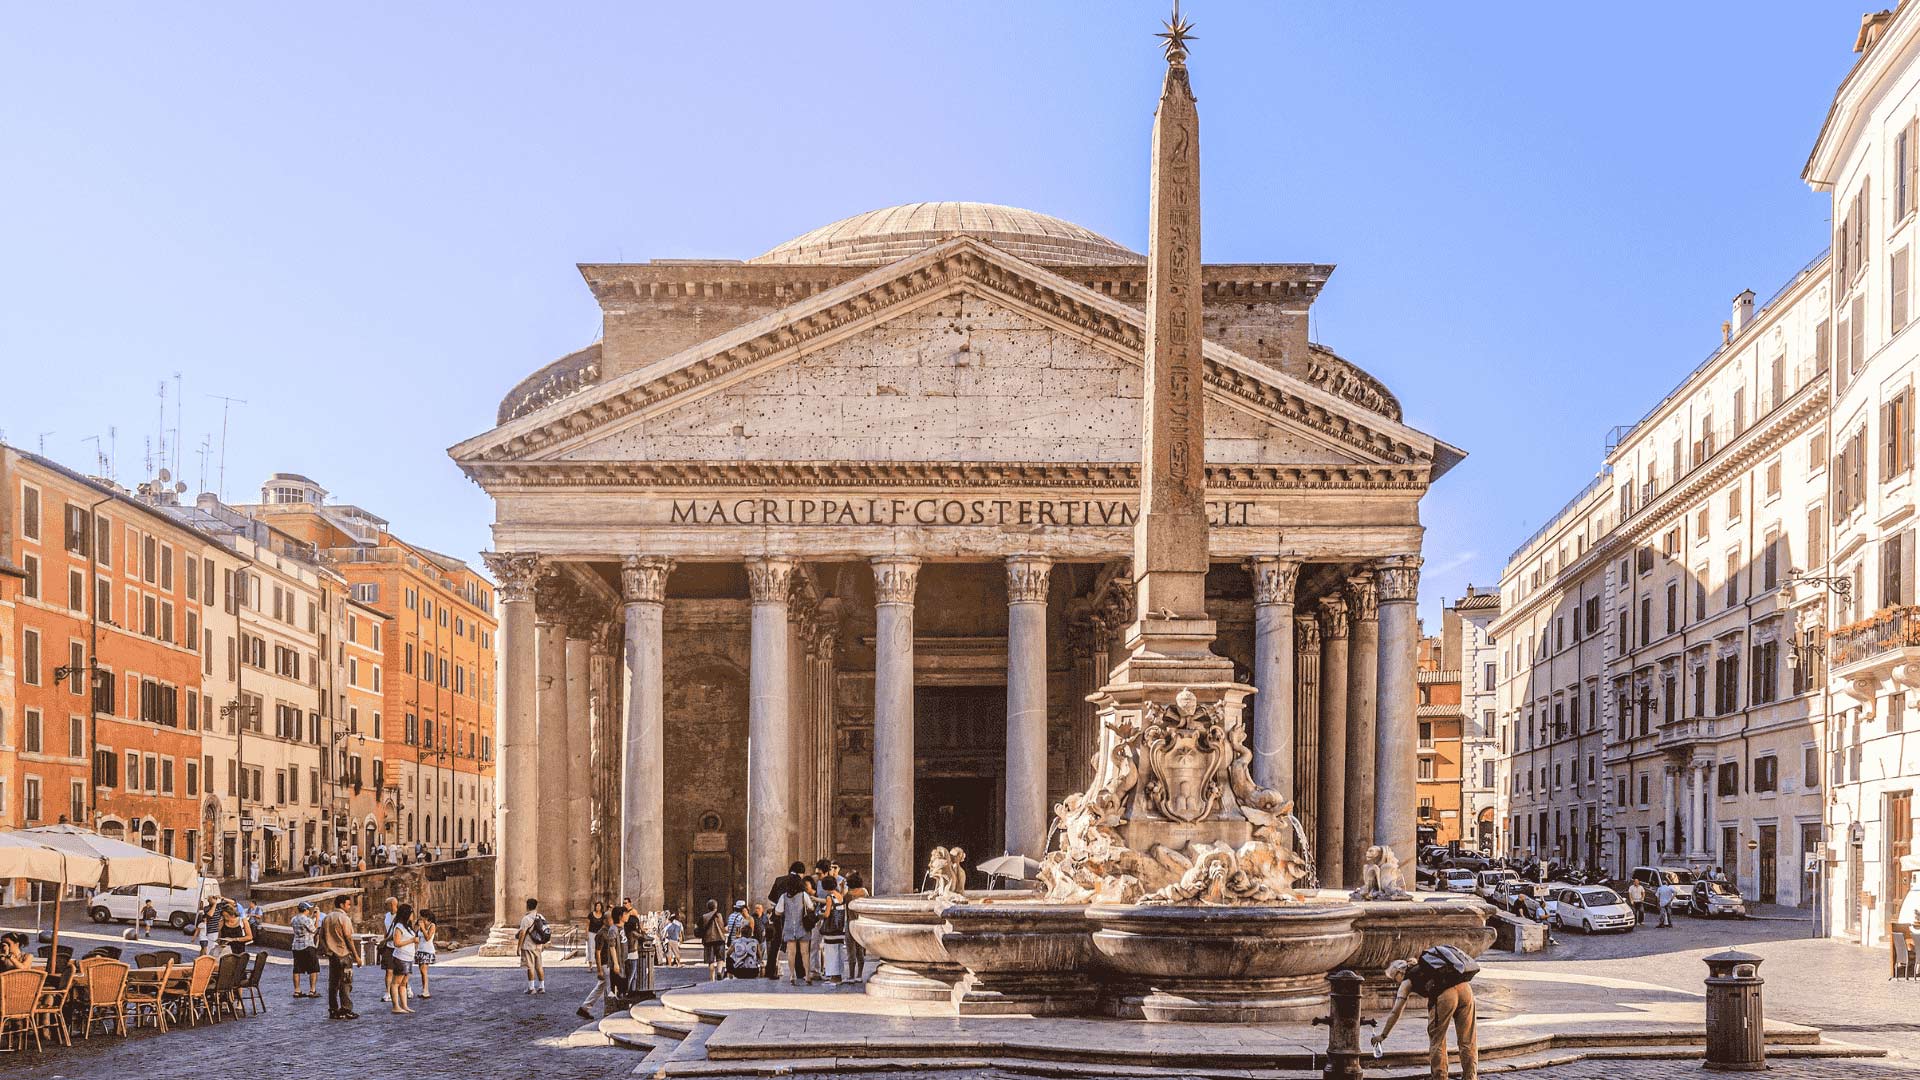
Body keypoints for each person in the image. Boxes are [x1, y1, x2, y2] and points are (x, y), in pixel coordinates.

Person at [1373, 947, 1480, 1080]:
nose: (1396, 982)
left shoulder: (1407, 980)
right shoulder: (1425, 966)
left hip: (1446, 995)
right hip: (1465, 989)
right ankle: (1471, 1077)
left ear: (1400, 972)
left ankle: (1439, 1077)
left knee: (1437, 1040)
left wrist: (1383, 1035)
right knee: (1468, 1039)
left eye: (1395, 978)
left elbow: (1395, 1012)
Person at [770, 862, 814, 985]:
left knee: (791, 952)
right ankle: (807, 975)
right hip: (802, 927)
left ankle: (792, 976)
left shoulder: (784, 896)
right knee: (805, 953)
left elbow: (778, 911)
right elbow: (810, 907)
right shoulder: (803, 895)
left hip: (788, 926)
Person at [321, 894, 358, 1020]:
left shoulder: (327, 918)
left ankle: (333, 1009)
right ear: (342, 905)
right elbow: (348, 938)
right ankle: (346, 1009)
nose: (350, 907)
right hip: (344, 954)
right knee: (346, 983)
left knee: (333, 983)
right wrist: (357, 956)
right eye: (348, 904)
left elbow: (320, 936)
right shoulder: (344, 918)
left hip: (332, 955)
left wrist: (327, 949)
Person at [384, 904, 418, 1014]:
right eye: (411, 913)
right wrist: (412, 940)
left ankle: (404, 1005)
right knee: (396, 983)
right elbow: (397, 943)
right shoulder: (398, 926)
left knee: (404, 983)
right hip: (401, 957)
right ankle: (395, 1006)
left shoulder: (407, 926)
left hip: (409, 957)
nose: (413, 915)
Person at [289, 901, 322, 998]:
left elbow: (304, 925)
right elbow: (314, 930)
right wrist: (317, 918)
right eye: (308, 909)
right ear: (305, 910)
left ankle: (297, 990)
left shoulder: (293, 919)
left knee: (297, 969)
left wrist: (312, 916)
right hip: (308, 946)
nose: (309, 911)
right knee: (313, 968)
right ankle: (312, 990)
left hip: (296, 946)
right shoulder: (307, 920)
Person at [516, 897, 549, 994]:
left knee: (530, 966)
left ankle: (531, 988)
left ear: (527, 906)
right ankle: (542, 987)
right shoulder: (541, 917)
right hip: (538, 945)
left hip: (528, 945)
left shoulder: (526, 919)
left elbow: (522, 933)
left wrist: (519, 947)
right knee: (539, 966)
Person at [842, 872, 869, 983]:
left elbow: (841, 901)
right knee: (860, 951)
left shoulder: (848, 894)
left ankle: (851, 976)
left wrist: (842, 888)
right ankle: (859, 975)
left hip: (850, 923)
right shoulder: (864, 892)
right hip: (861, 923)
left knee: (851, 951)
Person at [697, 899, 725, 979]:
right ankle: (719, 972)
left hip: (708, 940)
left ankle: (712, 978)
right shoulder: (720, 916)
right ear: (716, 907)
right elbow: (724, 927)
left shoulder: (703, 917)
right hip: (720, 939)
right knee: (720, 958)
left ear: (708, 907)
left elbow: (699, 928)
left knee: (711, 960)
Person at [414, 909, 438, 999]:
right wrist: (417, 927)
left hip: (427, 951)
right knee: (421, 971)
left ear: (426, 917)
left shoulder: (432, 926)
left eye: (422, 916)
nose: (420, 918)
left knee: (424, 971)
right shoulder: (420, 926)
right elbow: (416, 936)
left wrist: (423, 928)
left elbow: (428, 938)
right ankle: (424, 989)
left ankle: (426, 990)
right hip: (420, 950)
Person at [752, 902, 776, 979]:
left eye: (758, 908)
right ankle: (756, 970)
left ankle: (762, 972)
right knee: (755, 956)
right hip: (755, 940)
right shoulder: (753, 917)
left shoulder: (765, 917)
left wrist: (765, 931)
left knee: (762, 956)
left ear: (762, 910)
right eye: (755, 908)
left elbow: (768, 926)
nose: (756, 910)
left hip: (763, 940)